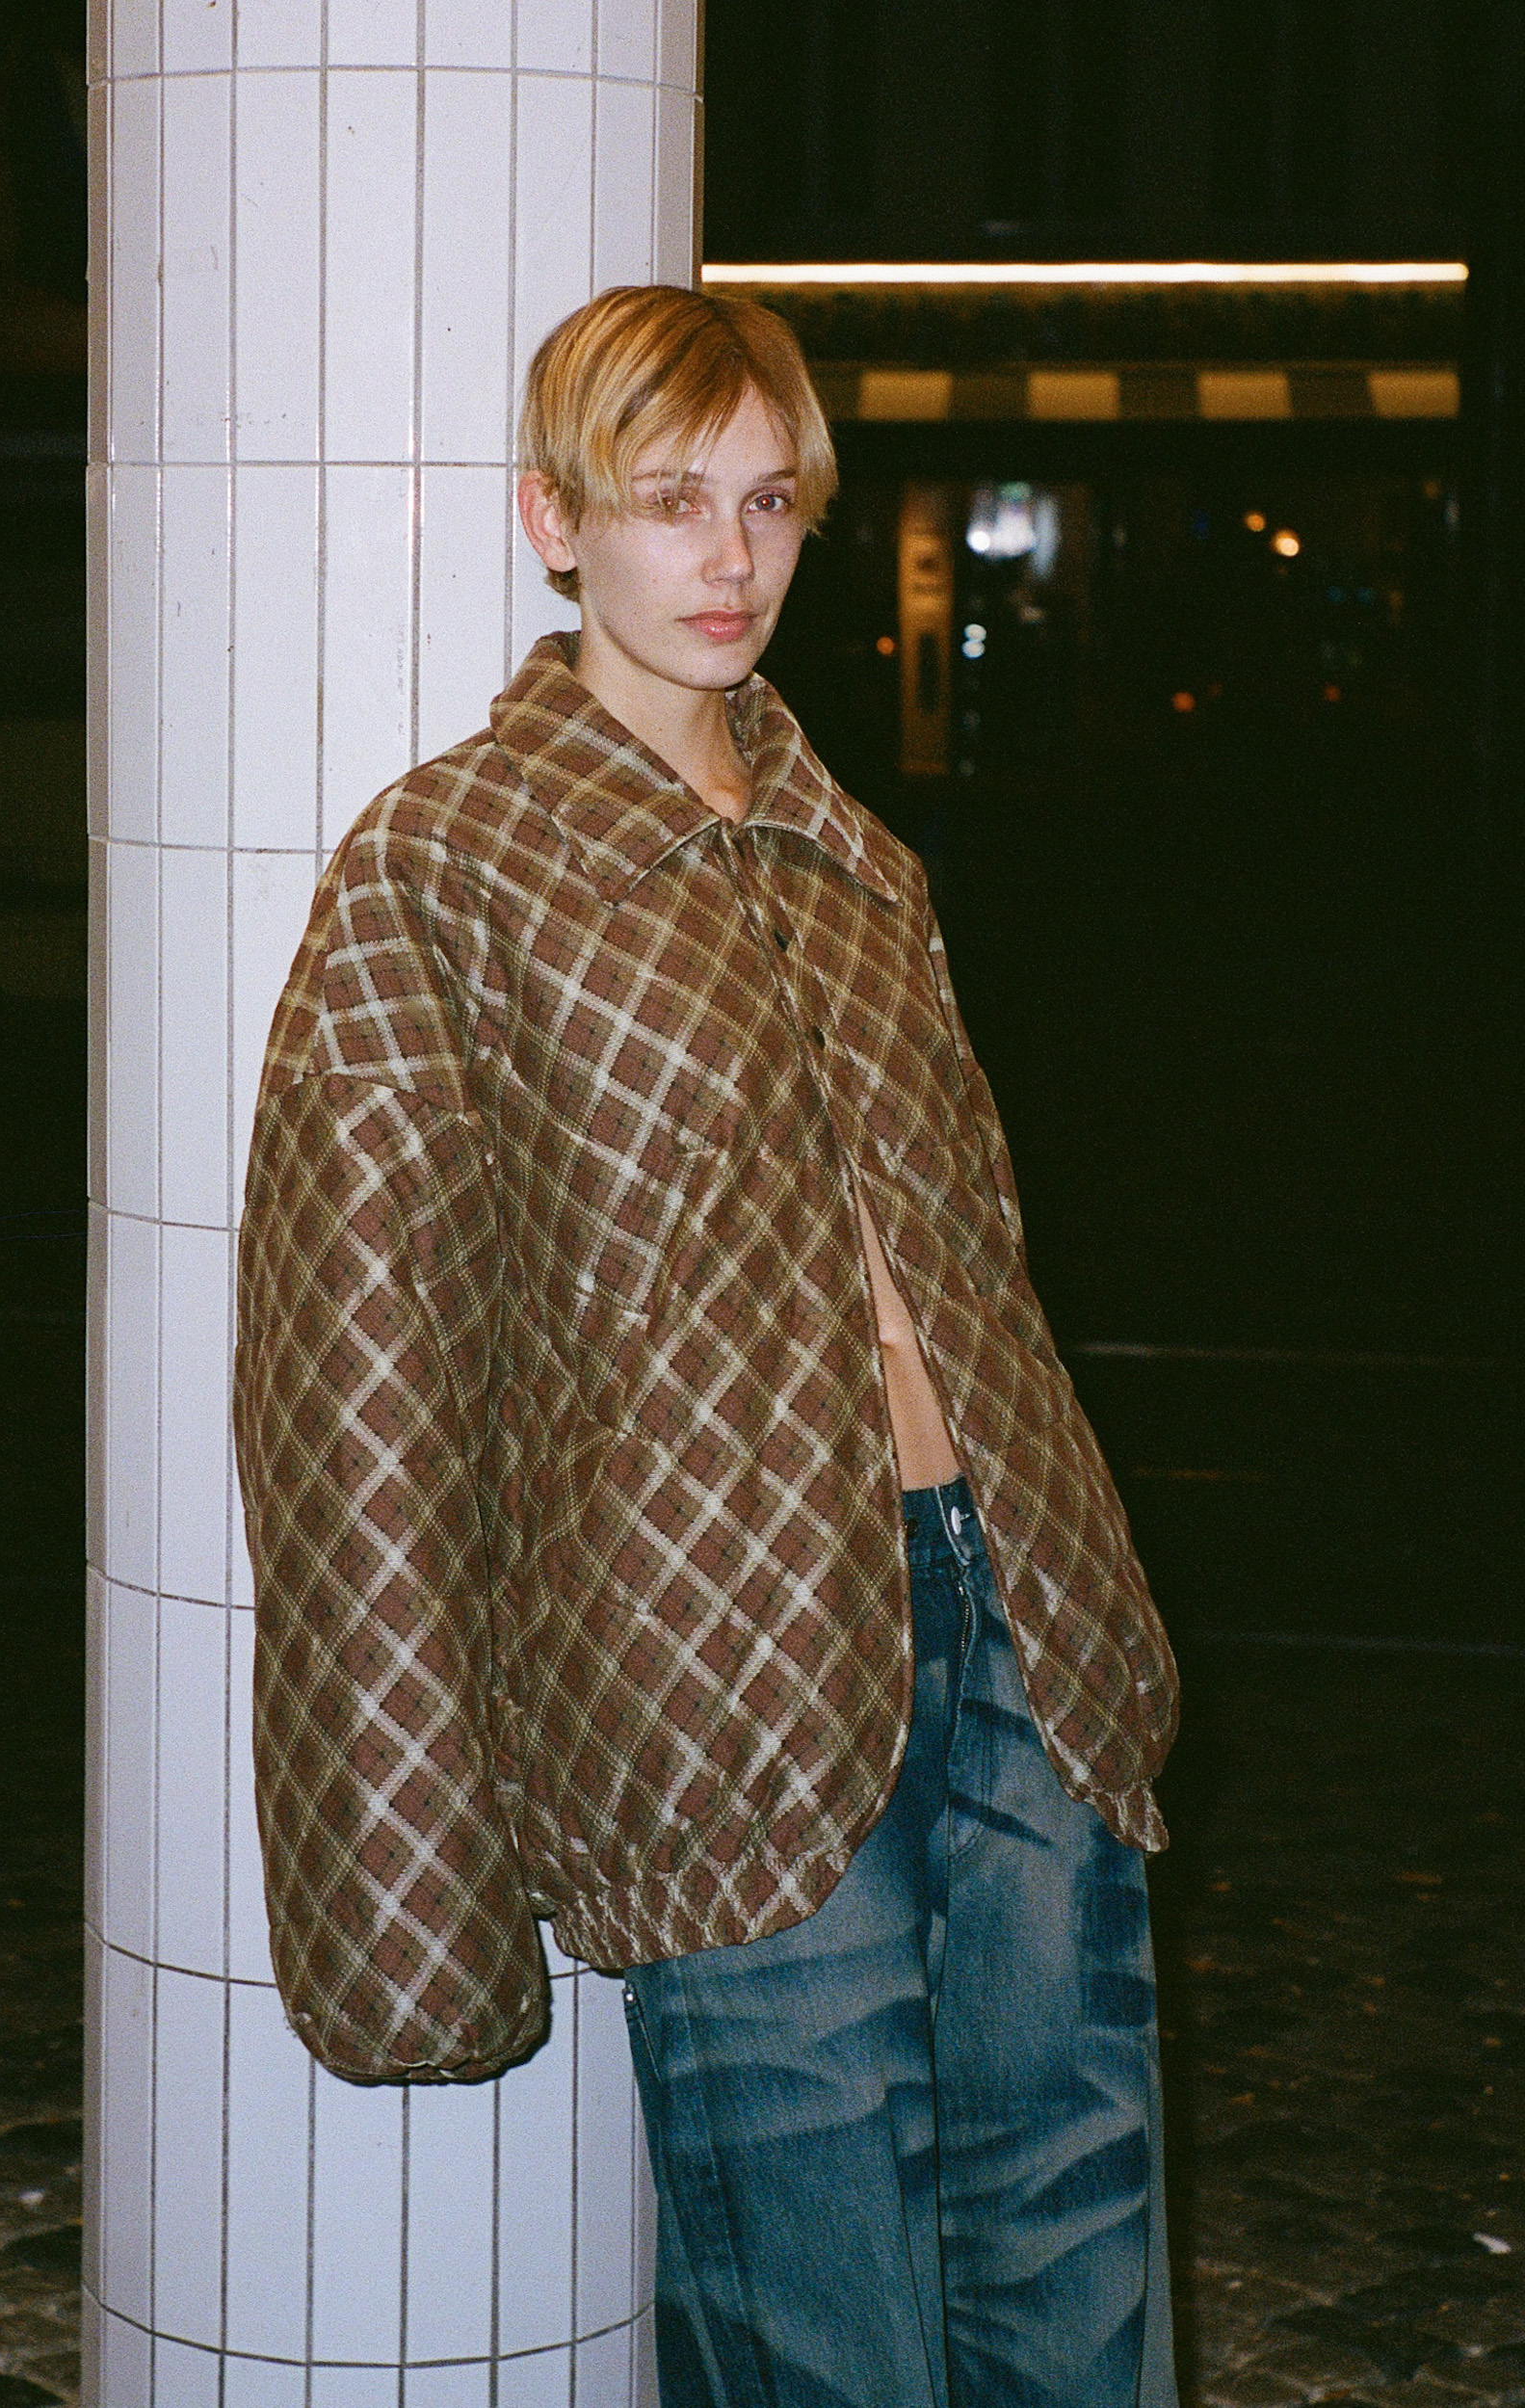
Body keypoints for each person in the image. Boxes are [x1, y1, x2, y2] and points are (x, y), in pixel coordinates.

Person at [233, 284, 1179, 2408]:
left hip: (1015, 1623)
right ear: (552, 520)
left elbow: (984, 1271)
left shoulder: (859, 861)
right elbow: (354, 1398)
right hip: (713, 1671)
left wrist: (1088, 1594)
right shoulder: (442, 868)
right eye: (670, 501)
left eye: (768, 501)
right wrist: (405, 1862)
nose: (730, 556)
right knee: (828, 2321)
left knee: (1071, 2264)